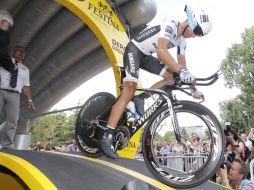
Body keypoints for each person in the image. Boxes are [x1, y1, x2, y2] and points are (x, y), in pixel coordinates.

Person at [98, 5, 213, 158]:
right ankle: (106, 136)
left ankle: (141, 98)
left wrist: (193, 88)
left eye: (199, 35)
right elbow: (161, 51)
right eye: (197, 32)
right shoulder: (171, 23)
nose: (195, 36)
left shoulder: (182, 42)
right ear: (191, 21)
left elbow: (182, 67)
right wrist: (182, 71)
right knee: (129, 89)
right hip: (134, 50)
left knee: (173, 78)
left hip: (146, 56)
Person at [0, 46, 35, 149]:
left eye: (23, 52)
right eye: (19, 51)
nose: (21, 53)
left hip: (15, 94)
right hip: (1, 91)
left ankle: (7, 144)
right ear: (13, 52)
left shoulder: (25, 69)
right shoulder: (4, 62)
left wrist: (29, 99)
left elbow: (26, 86)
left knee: (13, 120)